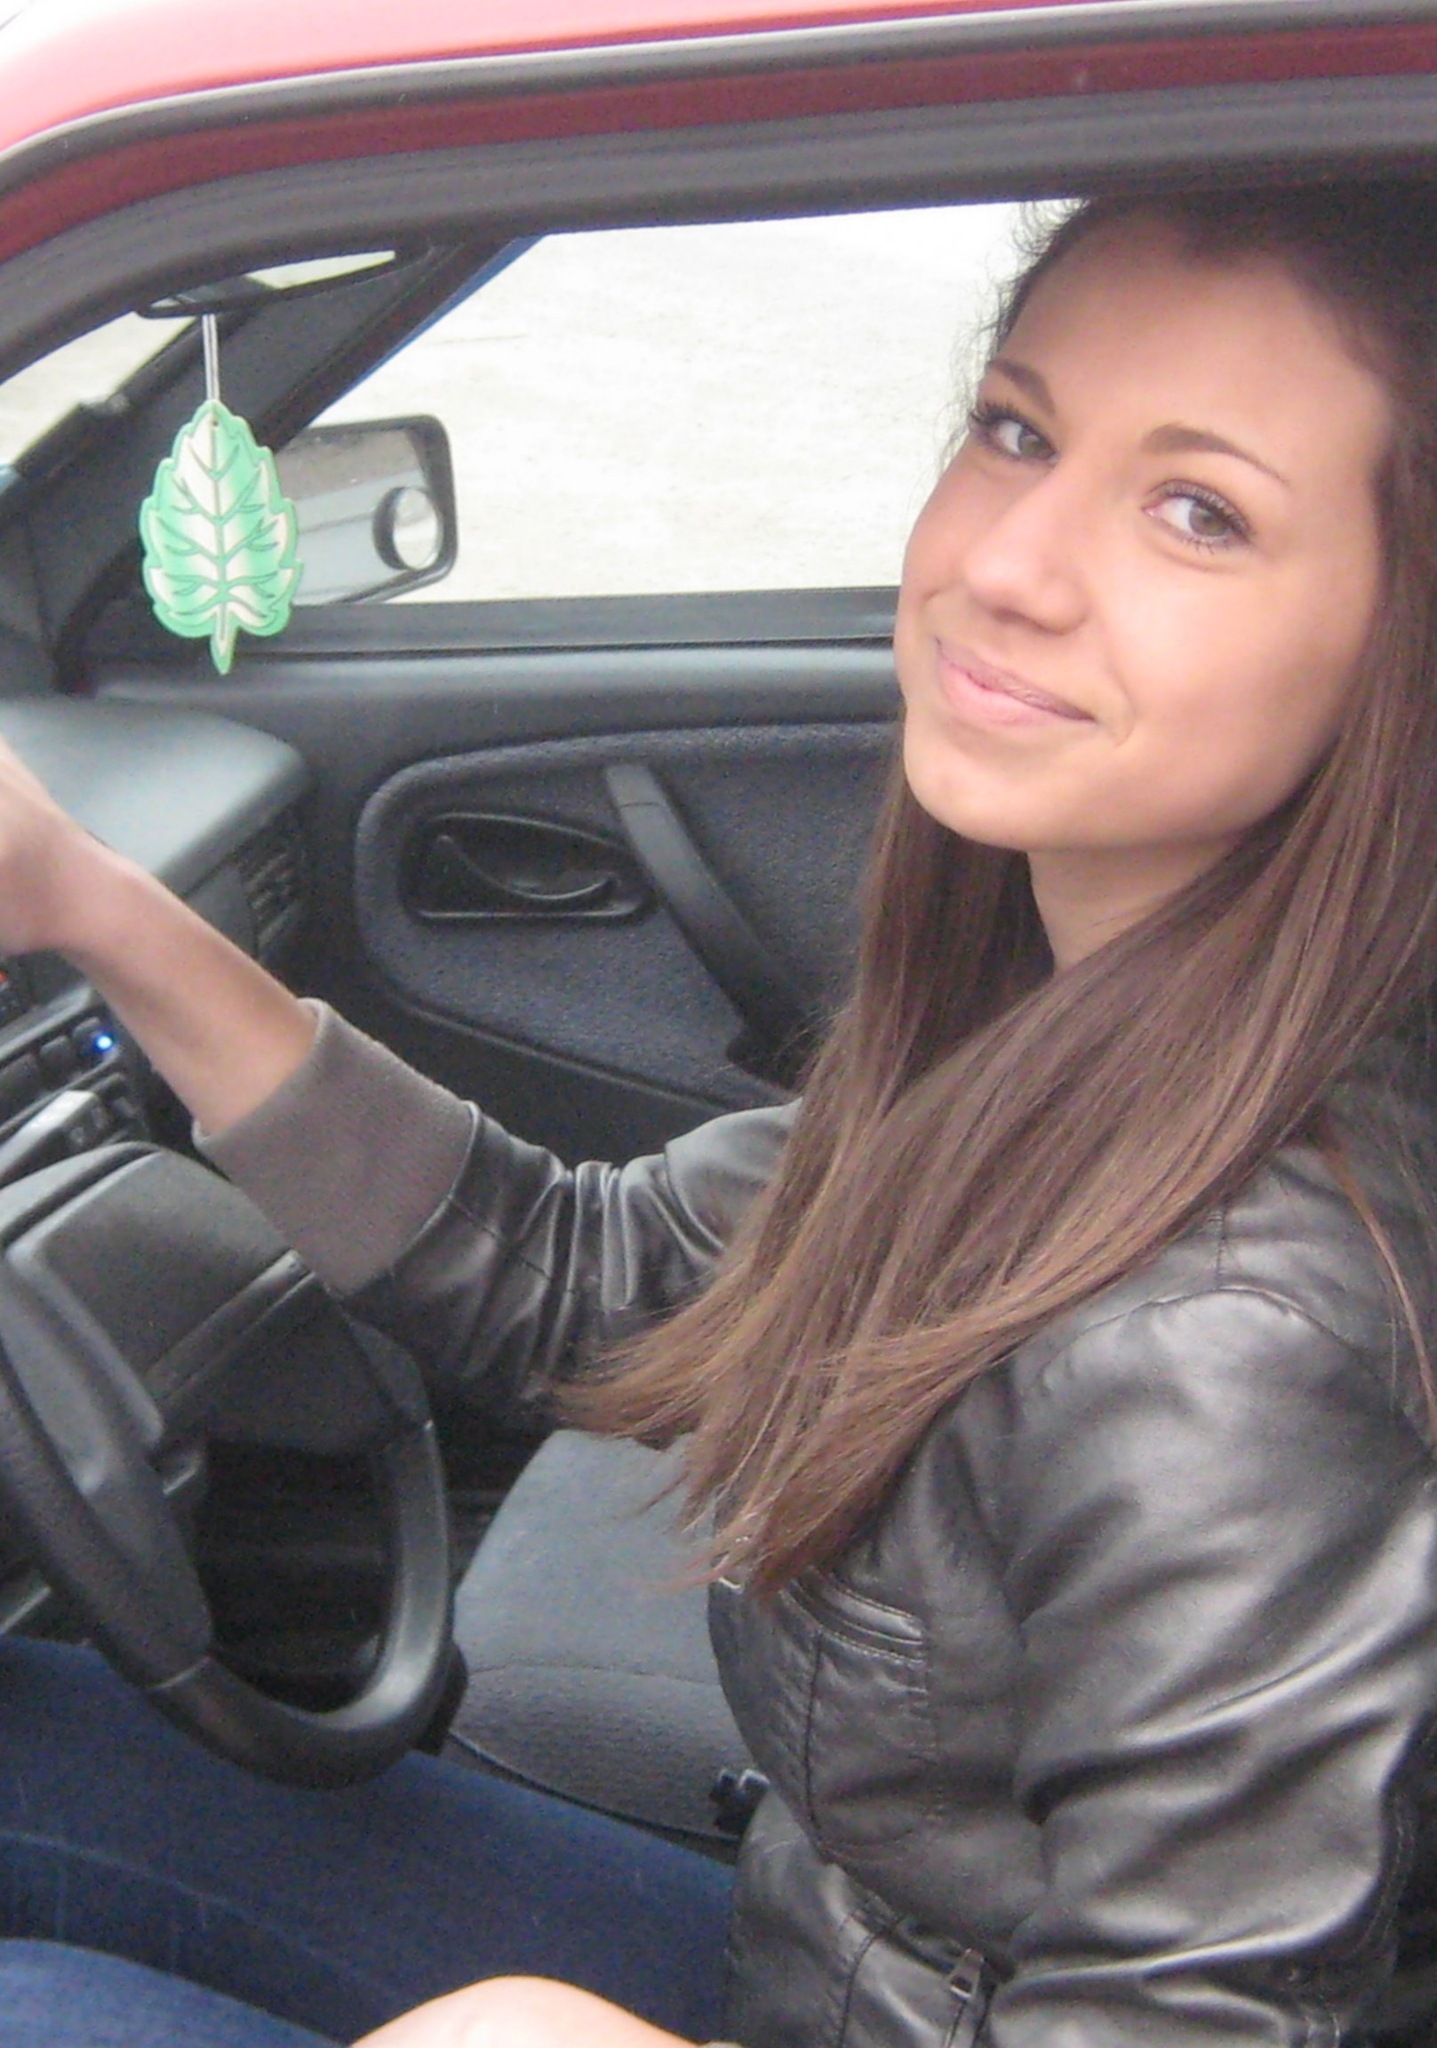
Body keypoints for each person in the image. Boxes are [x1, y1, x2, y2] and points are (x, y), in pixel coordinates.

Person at [0, 179, 1433, 2048]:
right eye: (1017, 431)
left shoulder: (1232, 1335)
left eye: (1198, 512)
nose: (1011, 565)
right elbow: (574, 1277)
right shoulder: (1056, 1027)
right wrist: (95, 904)